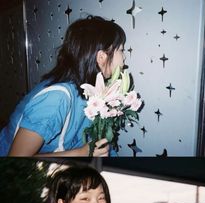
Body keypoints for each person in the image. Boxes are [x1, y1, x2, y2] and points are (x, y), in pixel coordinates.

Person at [0, 16, 126, 156]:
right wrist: (82, 153)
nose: (124, 57)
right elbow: (17, 159)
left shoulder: (92, 90)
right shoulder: (56, 99)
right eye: (121, 50)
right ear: (101, 57)